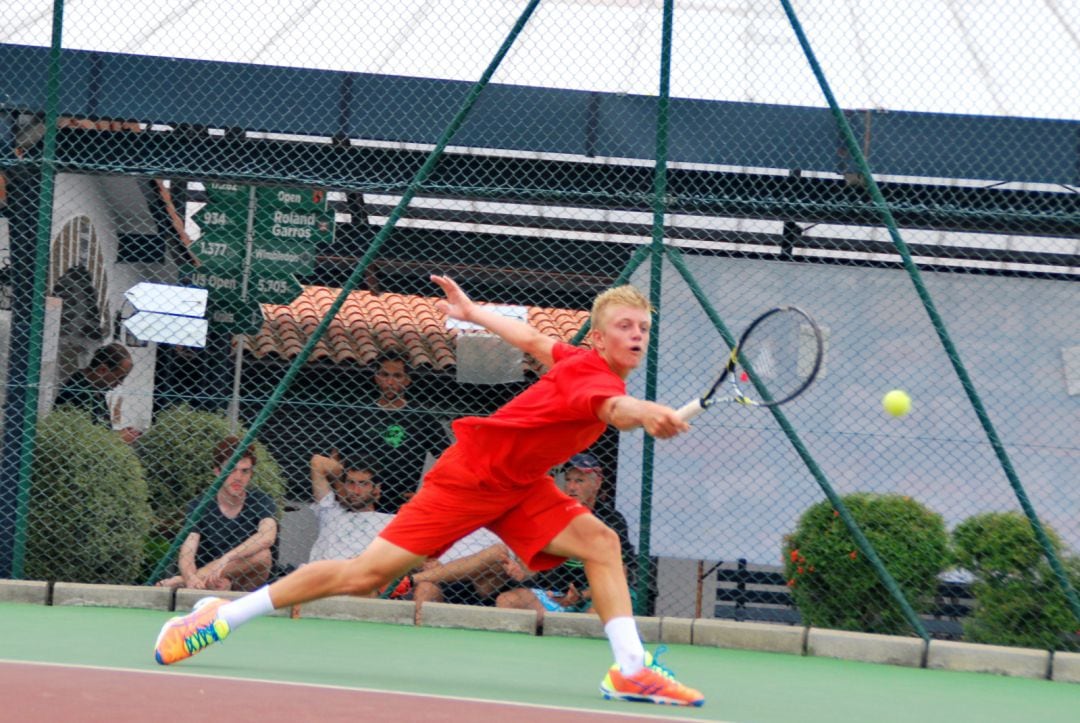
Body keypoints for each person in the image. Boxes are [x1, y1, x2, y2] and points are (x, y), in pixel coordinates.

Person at [153, 275, 704, 708]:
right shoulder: (598, 382)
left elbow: (534, 339)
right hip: (469, 480)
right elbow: (615, 410)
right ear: (602, 334)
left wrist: (473, 314)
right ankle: (218, 617)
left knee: (602, 544)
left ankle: (631, 670)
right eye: (626, 325)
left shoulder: (579, 360)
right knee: (364, 575)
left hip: (519, 486)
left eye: (644, 328)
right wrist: (648, 413)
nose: (636, 335)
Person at [494, 452, 636, 621]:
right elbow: (534, 567)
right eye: (568, 480)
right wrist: (521, 572)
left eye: (579, 481)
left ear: (597, 483)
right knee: (506, 600)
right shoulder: (551, 513)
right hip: (554, 595)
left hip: (595, 594)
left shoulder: (611, 520)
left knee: (593, 617)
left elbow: (620, 576)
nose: (571, 487)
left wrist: (581, 596)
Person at [155, 437, 278, 592]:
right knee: (201, 576)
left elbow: (267, 536)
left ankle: (184, 581)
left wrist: (226, 560)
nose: (238, 477)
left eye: (245, 471)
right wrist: (191, 577)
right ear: (217, 471)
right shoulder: (200, 504)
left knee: (263, 556)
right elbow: (188, 550)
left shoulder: (261, 500)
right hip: (210, 580)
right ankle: (196, 581)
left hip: (244, 582)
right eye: (231, 470)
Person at [343, 350, 450, 513]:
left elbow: (448, 458)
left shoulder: (421, 417)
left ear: (407, 380)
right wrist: (342, 490)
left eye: (397, 376)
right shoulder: (360, 412)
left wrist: (429, 494)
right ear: (376, 378)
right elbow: (338, 455)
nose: (390, 382)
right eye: (384, 375)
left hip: (401, 504)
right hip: (361, 503)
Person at [306, 452, 394, 564]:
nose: (355, 491)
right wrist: (343, 474)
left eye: (363, 484)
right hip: (313, 575)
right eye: (350, 483)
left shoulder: (389, 521)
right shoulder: (331, 511)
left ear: (376, 488)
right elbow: (317, 462)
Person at [54, 342, 141, 443]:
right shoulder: (79, 392)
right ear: (102, 370)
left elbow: (99, 428)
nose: (120, 383)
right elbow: (83, 438)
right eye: (119, 377)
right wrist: (118, 438)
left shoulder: (94, 389)